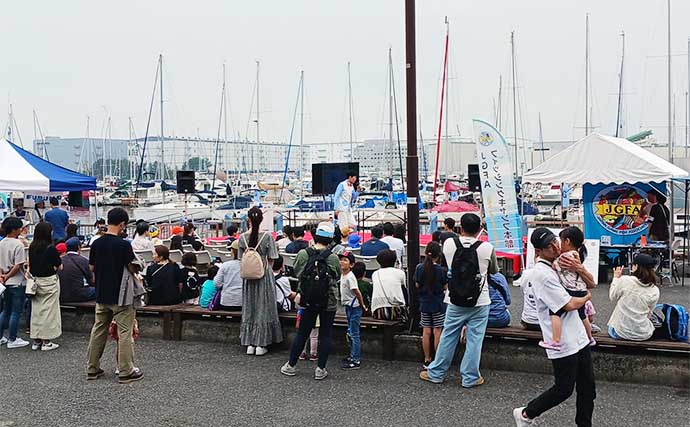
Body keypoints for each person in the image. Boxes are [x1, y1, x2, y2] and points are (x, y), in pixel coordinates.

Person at [513, 227, 595, 427]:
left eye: (555, 242)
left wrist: (579, 268)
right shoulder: (542, 274)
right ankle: (526, 414)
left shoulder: (559, 263)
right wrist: (586, 297)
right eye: (548, 246)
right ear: (538, 251)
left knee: (588, 388)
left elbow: (591, 282)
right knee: (564, 388)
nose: (554, 247)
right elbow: (569, 304)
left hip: (578, 335)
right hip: (562, 340)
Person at [420, 213, 498, 388]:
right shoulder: (487, 247)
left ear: (460, 228)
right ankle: (470, 377)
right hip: (480, 300)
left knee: (448, 335)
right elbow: (494, 270)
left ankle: (436, 372)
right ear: (479, 229)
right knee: (475, 339)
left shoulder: (449, 244)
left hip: (454, 298)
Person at [87, 207, 143, 384]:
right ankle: (126, 370)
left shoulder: (96, 243)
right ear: (122, 224)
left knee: (98, 330)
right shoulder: (124, 245)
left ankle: (92, 368)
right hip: (121, 295)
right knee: (125, 332)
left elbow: (91, 268)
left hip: (102, 293)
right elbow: (133, 266)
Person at [281, 221, 341, 380]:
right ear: (330, 240)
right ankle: (320, 369)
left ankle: (291, 365)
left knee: (302, 333)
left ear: (315, 236)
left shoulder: (303, 254)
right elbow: (337, 277)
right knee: (326, 334)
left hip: (307, 298)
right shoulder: (333, 257)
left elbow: (298, 273)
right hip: (328, 299)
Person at [540, 227, 597, 350]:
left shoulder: (565, 256)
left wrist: (553, 262)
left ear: (567, 241)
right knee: (583, 315)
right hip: (581, 289)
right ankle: (590, 337)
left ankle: (555, 340)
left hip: (571, 290)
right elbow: (591, 284)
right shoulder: (577, 254)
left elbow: (556, 266)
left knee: (555, 312)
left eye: (559, 241)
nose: (558, 245)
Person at [238, 207, 283, 355]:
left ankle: (249, 342)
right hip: (264, 276)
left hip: (248, 278)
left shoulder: (242, 237)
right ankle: (261, 343)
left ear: (248, 219)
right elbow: (272, 258)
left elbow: (240, 258)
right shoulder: (267, 237)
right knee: (263, 308)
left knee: (250, 307)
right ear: (262, 219)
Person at [608, 253, 660, 341]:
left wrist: (616, 278)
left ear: (636, 266)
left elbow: (612, 296)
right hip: (644, 334)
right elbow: (649, 313)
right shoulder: (655, 289)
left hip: (620, 332)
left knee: (612, 327)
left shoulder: (626, 280)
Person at [27, 221, 62, 351]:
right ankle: (46, 341)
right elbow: (60, 265)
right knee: (49, 311)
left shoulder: (32, 247)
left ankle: (36, 340)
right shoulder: (50, 248)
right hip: (49, 281)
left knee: (37, 311)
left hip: (36, 281)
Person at [415, 241, 447, 370]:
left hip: (424, 302)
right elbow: (445, 286)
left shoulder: (419, 268)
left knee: (426, 331)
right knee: (437, 330)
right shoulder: (441, 270)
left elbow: (417, 284)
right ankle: (437, 359)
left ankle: (427, 358)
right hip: (438, 303)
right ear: (438, 255)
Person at [0, 217, 30, 348]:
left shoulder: (1, 243)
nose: (21, 230)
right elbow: (18, 265)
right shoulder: (18, 244)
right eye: (19, 228)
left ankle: (1, 336)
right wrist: (7, 275)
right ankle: (13, 338)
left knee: (5, 310)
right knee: (16, 311)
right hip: (17, 281)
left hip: (4, 281)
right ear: (14, 229)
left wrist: (3, 276)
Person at [339, 251, 366, 370]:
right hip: (348, 307)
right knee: (350, 332)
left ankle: (356, 359)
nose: (342, 262)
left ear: (351, 265)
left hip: (354, 308)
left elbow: (357, 292)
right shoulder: (343, 275)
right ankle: (352, 355)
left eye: (345, 260)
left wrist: (362, 305)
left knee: (354, 334)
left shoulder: (350, 277)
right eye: (341, 259)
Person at [371, 249, 407, 320]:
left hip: (378, 311)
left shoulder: (375, 274)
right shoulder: (400, 273)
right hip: (396, 310)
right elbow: (404, 290)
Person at [58, 237, 96, 303]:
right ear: (79, 247)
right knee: (100, 290)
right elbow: (91, 281)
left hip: (61, 294)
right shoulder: (83, 260)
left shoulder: (60, 260)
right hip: (77, 294)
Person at [214, 240, 243, 310]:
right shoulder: (249, 266)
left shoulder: (225, 265)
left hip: (226, 302)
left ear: (232, 252)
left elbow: (217, 283)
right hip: (244, 302)